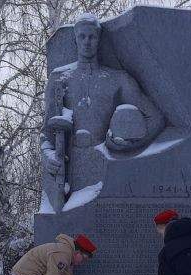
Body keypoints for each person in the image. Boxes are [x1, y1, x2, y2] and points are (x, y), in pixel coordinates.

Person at [41, 13, 165, 210]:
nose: (87, 42)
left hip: (106, 168)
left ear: (99, 39)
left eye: (92, 36)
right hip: (69, 173)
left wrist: (126, 145)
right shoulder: (59, 79)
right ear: (75, 39)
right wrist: (46, 156)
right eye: (82, 36)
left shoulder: (118, 80)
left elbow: (155, 119)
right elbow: (46, 134)